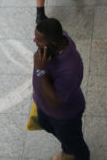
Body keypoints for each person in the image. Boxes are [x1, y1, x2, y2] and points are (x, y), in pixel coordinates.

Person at [32, 18, 90, 159]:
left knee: (75, 145)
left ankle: (74, 154)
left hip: (64, 117)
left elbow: (54, 102)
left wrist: (40, 71)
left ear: (53, 44)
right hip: (44, 107)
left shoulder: (71, 68)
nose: (34, 41)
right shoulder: (56, 42)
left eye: (39, 40)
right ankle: (67, 150)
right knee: (46, 125)